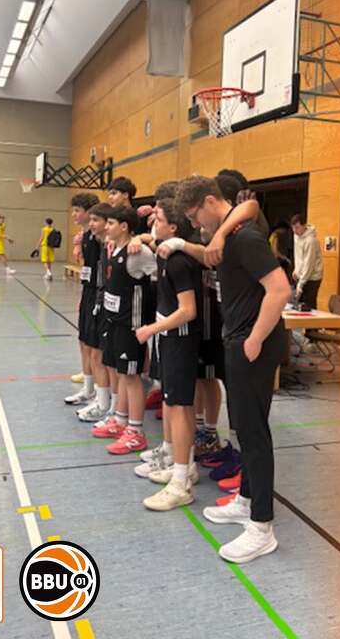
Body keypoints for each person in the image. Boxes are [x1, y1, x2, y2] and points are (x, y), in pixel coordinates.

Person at [175, 176, 291, 564]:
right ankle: (246, 499)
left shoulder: (246, 239)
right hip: (239, 342)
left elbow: (280, 289)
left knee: (254, 434)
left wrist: (255, 339)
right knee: (243, 428)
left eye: (195, 215)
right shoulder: (228, 234)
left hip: (252, 345)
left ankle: (262, 527)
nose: (196, 224)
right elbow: (245, 209)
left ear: (210, 201)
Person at [136, 199, 202, 511]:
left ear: (173, 227)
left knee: (179, 407)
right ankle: (184, 468)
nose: (153, 224)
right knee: (173, 405)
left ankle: (180, 485)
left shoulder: (178, 262)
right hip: (168, 338)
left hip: (180, 340)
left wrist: (152, 328)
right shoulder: (164, 254)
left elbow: (188, 310)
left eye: (158, 219)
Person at [96, 205, 157, 455]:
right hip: (115, 322)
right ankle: (120, 421)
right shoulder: (118, 248)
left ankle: (136, 432)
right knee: (122, 374)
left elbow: (159, 278)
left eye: (111, 223)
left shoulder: (139, 252)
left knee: (132, 378)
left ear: (124, 227)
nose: (106, 227)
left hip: (132, 325)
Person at [75, 201, 115, 422]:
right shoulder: (89, 239)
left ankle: (107, 404)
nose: (91, 224)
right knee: (87, 345)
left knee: (100, 354)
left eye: (95, 219)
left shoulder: (109, 245)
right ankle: (94, 393)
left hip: (106, 301)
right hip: (92, 294)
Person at [64, 193, 100, 409]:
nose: (74, 215)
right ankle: (88, 388)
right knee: (83, 340)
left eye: (78, 210)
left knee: (95, 347)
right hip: (87, 291)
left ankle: (100, 395)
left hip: (98, 294)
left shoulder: (99, 238)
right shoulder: (84, 236)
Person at [291, 214, 323, 309]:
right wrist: (296, 270)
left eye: (297, 227)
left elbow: (309, 263)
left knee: (309, 306)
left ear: (304, 225)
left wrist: (301, 284)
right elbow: (298, 255)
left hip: (313, 277)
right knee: (297, 305)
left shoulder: (311, 241)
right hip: (302, 275)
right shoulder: (296, 236)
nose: (295, 231)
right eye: (293, 228)